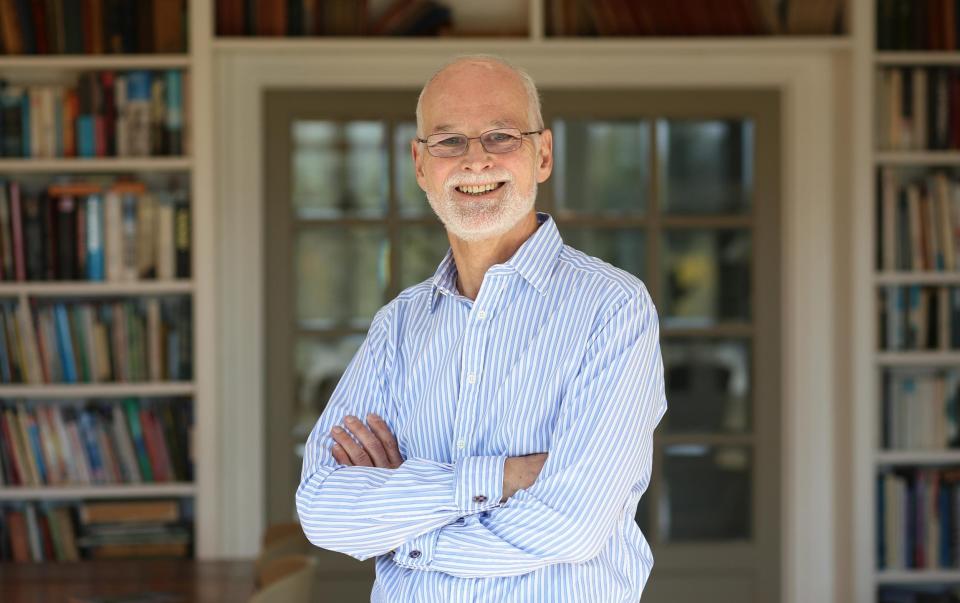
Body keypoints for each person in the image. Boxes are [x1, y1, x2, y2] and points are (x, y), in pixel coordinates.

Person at [296, 54, 668, 602]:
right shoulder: (399, 325)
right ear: (421, 166)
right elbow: (325, 509)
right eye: (448, 142)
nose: (475, 161)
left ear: (542, 154)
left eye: (500, 136)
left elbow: (571, 524)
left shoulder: (610, 308)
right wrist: (503, 478)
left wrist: (408, 532)